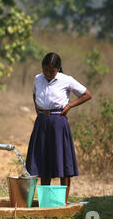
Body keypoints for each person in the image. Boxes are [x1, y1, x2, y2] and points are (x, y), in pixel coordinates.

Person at [25, 52, 92, 204]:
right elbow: (34, 95)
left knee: (63, 160)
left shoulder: (66, 80)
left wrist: (69, 106)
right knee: (43, 161)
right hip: (42, 122)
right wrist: (39, 112)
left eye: (52, 71)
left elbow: (87, 94)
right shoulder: (38, 78)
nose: (48, 73)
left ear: (58, 69)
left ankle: (64, 201)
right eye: (45, 70)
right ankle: (46, 201)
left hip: (58, 123)